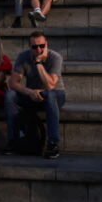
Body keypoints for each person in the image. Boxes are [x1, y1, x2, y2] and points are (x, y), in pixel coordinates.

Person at [5, 31, 65, 159]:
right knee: (10, 95)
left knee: (50, 94)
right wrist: (30, 92)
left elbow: (50, 85)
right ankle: (13, 141)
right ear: (29, 47)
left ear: (46, 44)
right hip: (33, 94)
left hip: (55, 94)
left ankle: (53, 143)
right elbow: (13, 83)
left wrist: (38, 63)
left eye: (42, 46)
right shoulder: (23, 57)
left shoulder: (55, 57)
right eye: (34, 47)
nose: (38, 49)